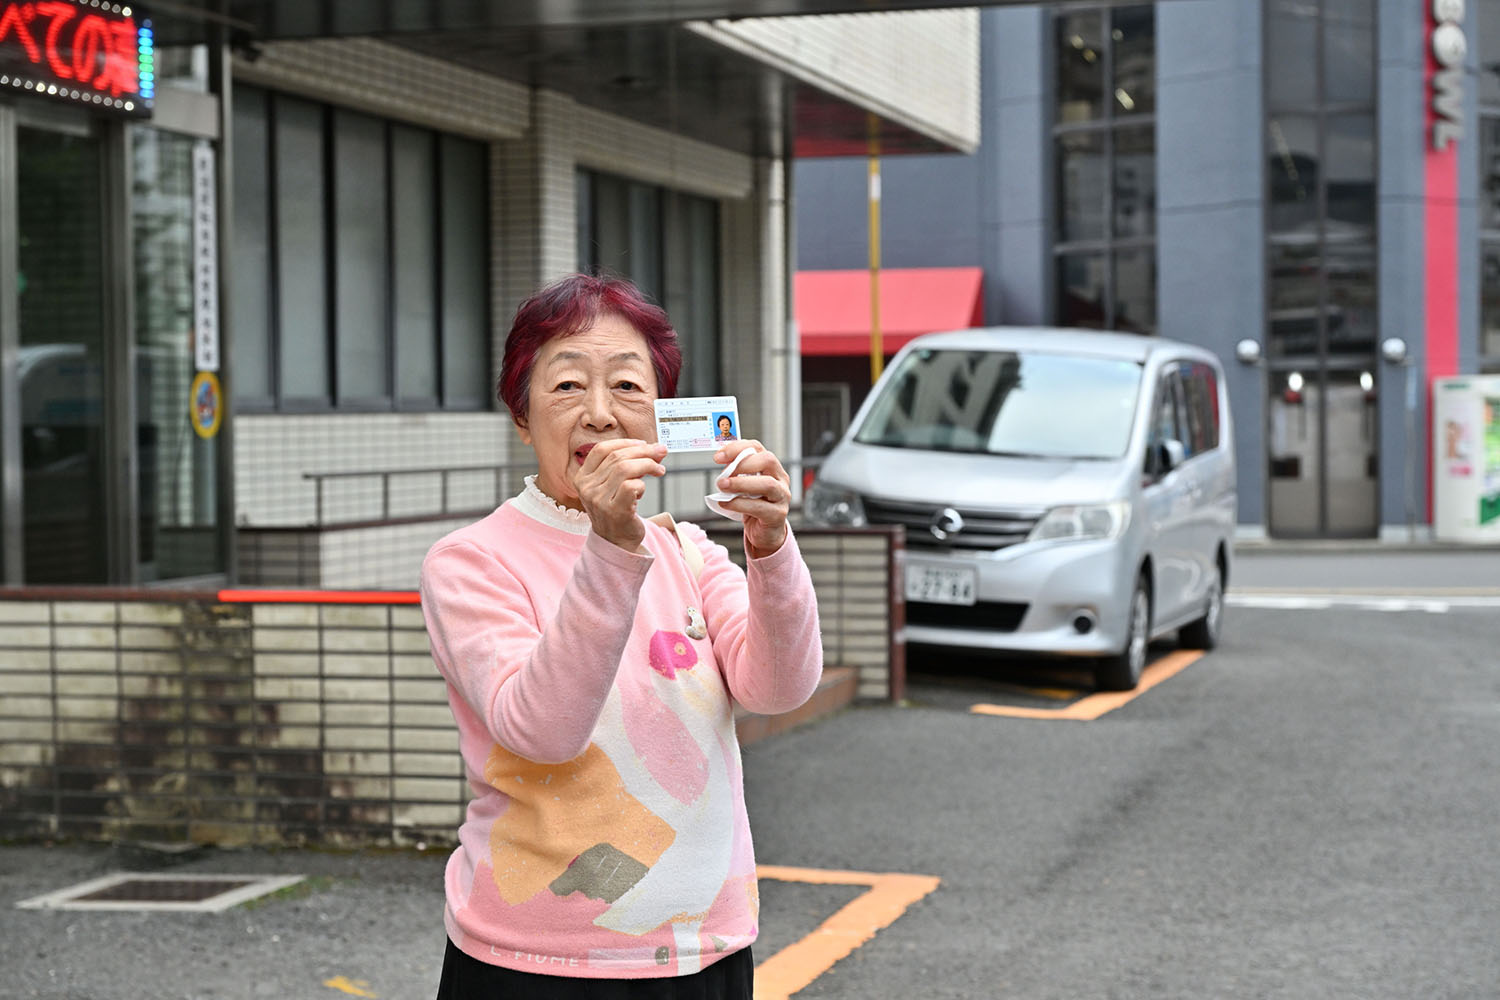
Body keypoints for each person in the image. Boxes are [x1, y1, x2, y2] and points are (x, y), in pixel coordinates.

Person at [420, 272, 823, 999]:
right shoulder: (471, 561)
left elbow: (779, 687)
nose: (600, 414)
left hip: (704, 946)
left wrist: (770, 545)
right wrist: (610, 546)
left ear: (664, 415)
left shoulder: (691, 551)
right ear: (521, 414)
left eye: (629, 389)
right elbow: (539, 730)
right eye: (567, 386)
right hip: (530, 960)